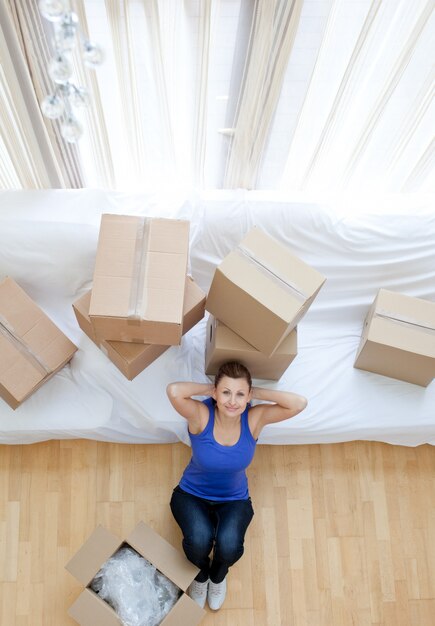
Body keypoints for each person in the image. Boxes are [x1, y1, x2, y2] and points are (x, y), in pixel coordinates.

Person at [166, 360, 307, 611]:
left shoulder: (254, 419)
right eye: (226, 392)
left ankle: (218, 576)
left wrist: (256, 394)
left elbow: (299, 403)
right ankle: (201, 575)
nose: (232, 401)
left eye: (240, 394)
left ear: (248, 396)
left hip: (234, 499)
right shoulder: (201, 415)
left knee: (229, 547)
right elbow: (174, 391)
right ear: (215, 394)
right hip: (191, 495)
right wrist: (210, 389)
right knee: (199, 541)